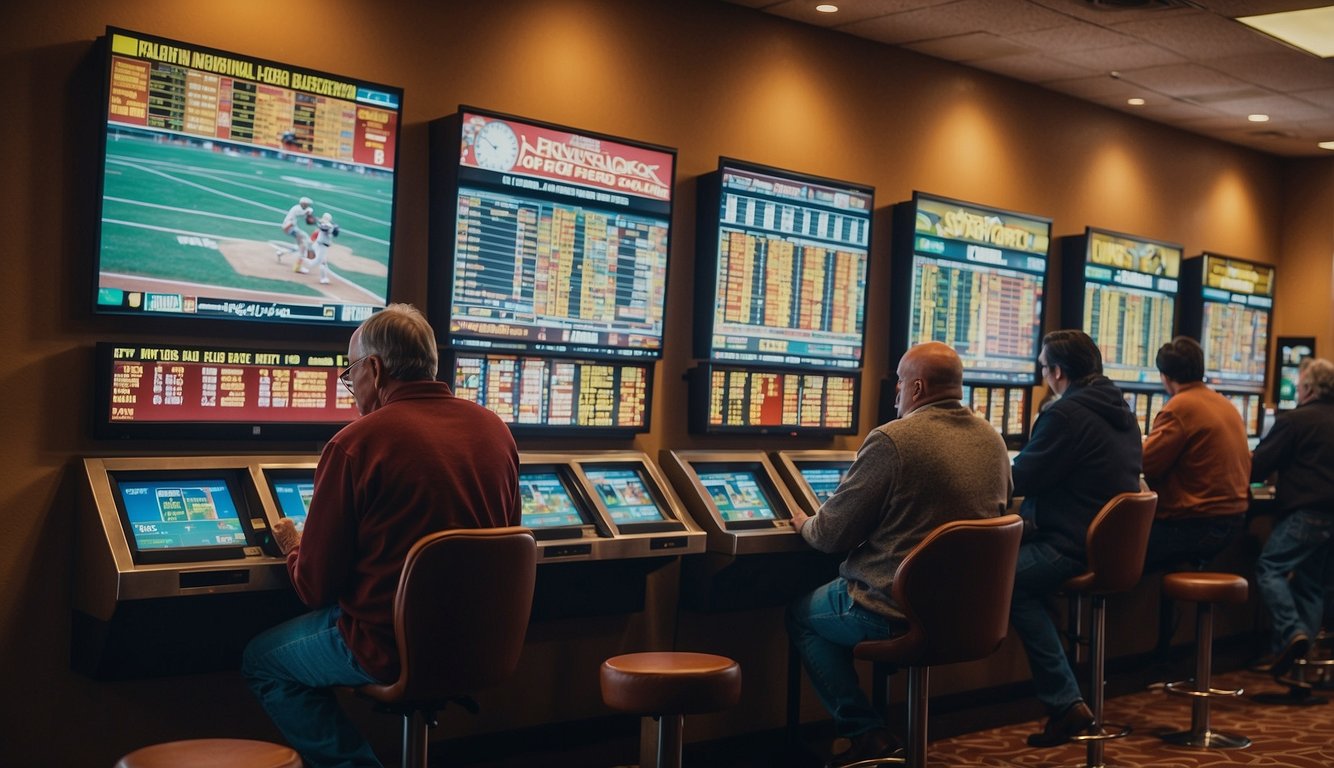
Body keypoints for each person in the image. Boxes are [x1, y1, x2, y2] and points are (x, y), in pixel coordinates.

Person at [242, 304, 521, 768]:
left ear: (374, 367)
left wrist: (293, 546)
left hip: (386, 646)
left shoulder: (356, 442)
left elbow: (315, 589)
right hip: (481, 641)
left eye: (351, 374)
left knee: (262, 661)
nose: (352, 389)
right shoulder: (495, 430)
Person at [786, 342, 1011, 767]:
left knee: (801, 616)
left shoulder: (893, 438)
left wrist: (801, 521)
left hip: (890, 612)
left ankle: (866, 733)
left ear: (918, 387)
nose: (896, 397)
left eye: (900, 386)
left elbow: (830, 534)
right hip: (969, 613)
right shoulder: (992, 439)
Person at [1008, 330, 1142, 748]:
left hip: (1068, 547)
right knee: (1032, 586)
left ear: (1058, 371)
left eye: (1043, 369)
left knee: (1004, 583)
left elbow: (1018, 477)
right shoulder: (1121, 409)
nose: (1044, 376)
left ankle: (1066, 703)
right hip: (1105, 548)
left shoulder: (1065, 415)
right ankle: (1066, 706)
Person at [1251, 357, 1334, 680]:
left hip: (1306, 512)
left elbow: (1258, 465)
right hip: (1332, 516)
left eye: (1299, 386)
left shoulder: (1296, 420)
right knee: (1311, 587)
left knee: (1269, 568)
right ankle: (1299, 672)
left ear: (1309, 388)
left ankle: (1291, 632)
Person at [1141, 336, 1250, 570]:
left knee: (1115, 548)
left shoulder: (1180, 407)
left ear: (1166, 377)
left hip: (1195, 525)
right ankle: (1173, 608)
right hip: (1232, 522)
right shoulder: (1224, 404)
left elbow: (1145, 464)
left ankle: (1126, 609)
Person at [280, 196, 315, 272]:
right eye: (306, 204)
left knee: (303, 242)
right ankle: (298, 267)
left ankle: (281, 252)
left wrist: (309, 214)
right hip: (290, 228)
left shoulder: (301, 208)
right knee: (304, 244)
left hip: (293, 228)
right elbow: (288, 225)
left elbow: (308, 215)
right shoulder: (297, 209)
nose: (307, 206)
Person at [309, 212, 340, 285]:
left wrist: (316, 221)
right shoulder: (325, 224)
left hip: (322, 246)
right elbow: (323, 227)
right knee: (323, 262)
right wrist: (317, 221)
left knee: (316, 262)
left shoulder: (328, 225)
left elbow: (324, 228)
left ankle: (303, 262)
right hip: (321, 246)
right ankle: (323, 278)